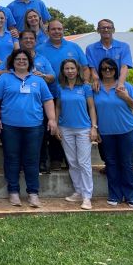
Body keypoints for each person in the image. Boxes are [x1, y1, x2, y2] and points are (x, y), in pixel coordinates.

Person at [0, 49, 57, 208]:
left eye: (24, 59)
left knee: (32, 160)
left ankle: (33, 193)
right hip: (9, 126)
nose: (21, 61)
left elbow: (48, 100)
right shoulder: (4, 78)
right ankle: (13, 192)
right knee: (11, 158)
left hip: (34, 126)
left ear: (29, 62)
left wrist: (52, 119)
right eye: (18, 59)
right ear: (12, 62)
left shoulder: (38, 80)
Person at [36, 20, 89, 172]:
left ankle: (71, 160)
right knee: (53, 126)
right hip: (49, 94)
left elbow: (85, 68)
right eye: (53, 29)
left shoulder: (74, 47)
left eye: (59, 29)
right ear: (47, 31)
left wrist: (84, 84)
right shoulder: (41, 49)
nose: (57, 32)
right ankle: (56, 159)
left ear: (63, 30)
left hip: (72, 94)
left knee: (70, 124)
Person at [93, 58, 133, 208]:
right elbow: (92, 111)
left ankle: (131, 196)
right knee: (111, 163)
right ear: (100, 71)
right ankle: (114, 194)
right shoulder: (95, 88)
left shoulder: (125, 86)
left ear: (116, 70)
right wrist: (95, 128)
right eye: (103, 69)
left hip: (126, 131)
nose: (107, 71)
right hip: (106, 133)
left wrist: (126, 97)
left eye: (111, 68)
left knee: (126, 163)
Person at [55, 59, 98, 210]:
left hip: (83, 129)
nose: (70, 71)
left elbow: (92, 108)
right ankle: (78, 191)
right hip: (65, 128)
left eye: (72, 68)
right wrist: (56, 125)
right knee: (72, 162)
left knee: (84, 162)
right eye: (67, 68)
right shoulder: (61, 87)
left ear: (77, 69)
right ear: (63, 71)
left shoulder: (85, 87)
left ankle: (87, 196)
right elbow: (58, 107)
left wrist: (94, 127)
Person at [86, 19, 133, 93]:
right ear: (98, 30)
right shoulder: (90, 48)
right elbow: (92, 68)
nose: (106, 29)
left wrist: (120, 83)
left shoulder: (124, 47)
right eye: (103, 28)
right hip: (99, 86)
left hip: (118, 85)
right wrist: (96, 80)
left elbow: (124, 67)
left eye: (109, 27)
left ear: (113, 30)